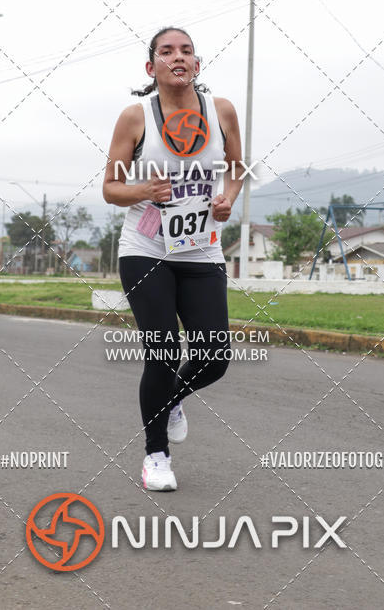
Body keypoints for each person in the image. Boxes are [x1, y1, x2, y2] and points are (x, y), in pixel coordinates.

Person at [103, 26, 245, 491]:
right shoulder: (135, 117)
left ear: (197, 65)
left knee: (215, 357)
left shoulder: (221, 111)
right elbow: (111, 188)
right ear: (152, 67)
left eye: (186, 50)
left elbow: (237, 168)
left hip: (201, 248)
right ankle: (155, 456)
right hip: (146, 250)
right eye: (166, 52)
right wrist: (143, 190)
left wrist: (227, 198)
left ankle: (171, 400)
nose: (177, 57)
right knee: (162, 351)